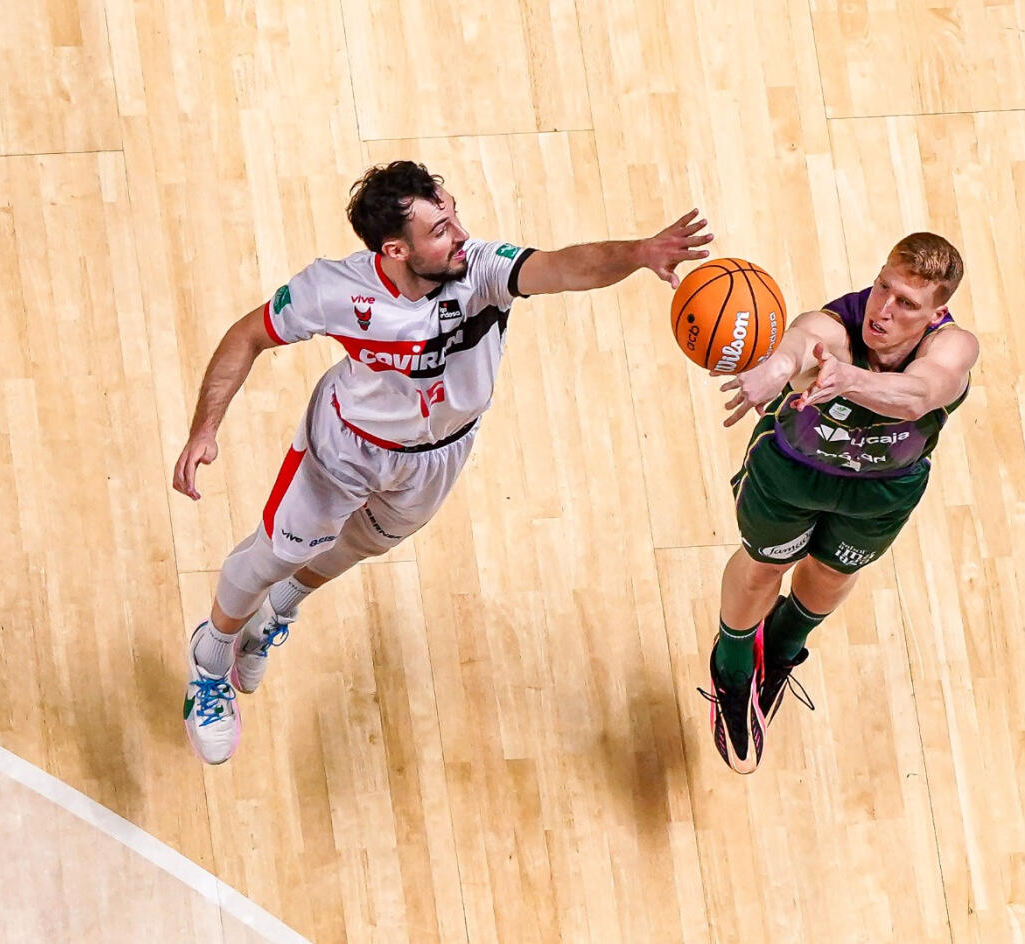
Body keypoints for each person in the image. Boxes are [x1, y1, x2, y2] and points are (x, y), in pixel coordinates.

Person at [173, 160, 711, 764]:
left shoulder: (480, 269)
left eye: (454, 214)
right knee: (279, 551)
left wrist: (639, 252)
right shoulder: (335, 290)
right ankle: (211, 657)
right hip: (345, 448)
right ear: (395, 249)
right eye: (440, 228)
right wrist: (205, 430)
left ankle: (277, 610)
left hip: (437, 457)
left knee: (355, 548)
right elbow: (247, 334)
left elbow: (565, 265)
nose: (459, 234)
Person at [704, 232, 978, 773]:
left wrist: (844, 380)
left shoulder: (953, 348)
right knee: (766, 567)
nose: (885, 309)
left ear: (936, 311)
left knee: (829, 577)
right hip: (792, 471)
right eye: (883, 287)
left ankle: (781, 649)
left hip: (882, 487)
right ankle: (732, 667)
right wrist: (778, 368)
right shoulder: (836, 328)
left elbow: (918, 397)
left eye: (906, 303)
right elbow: (800, 343)